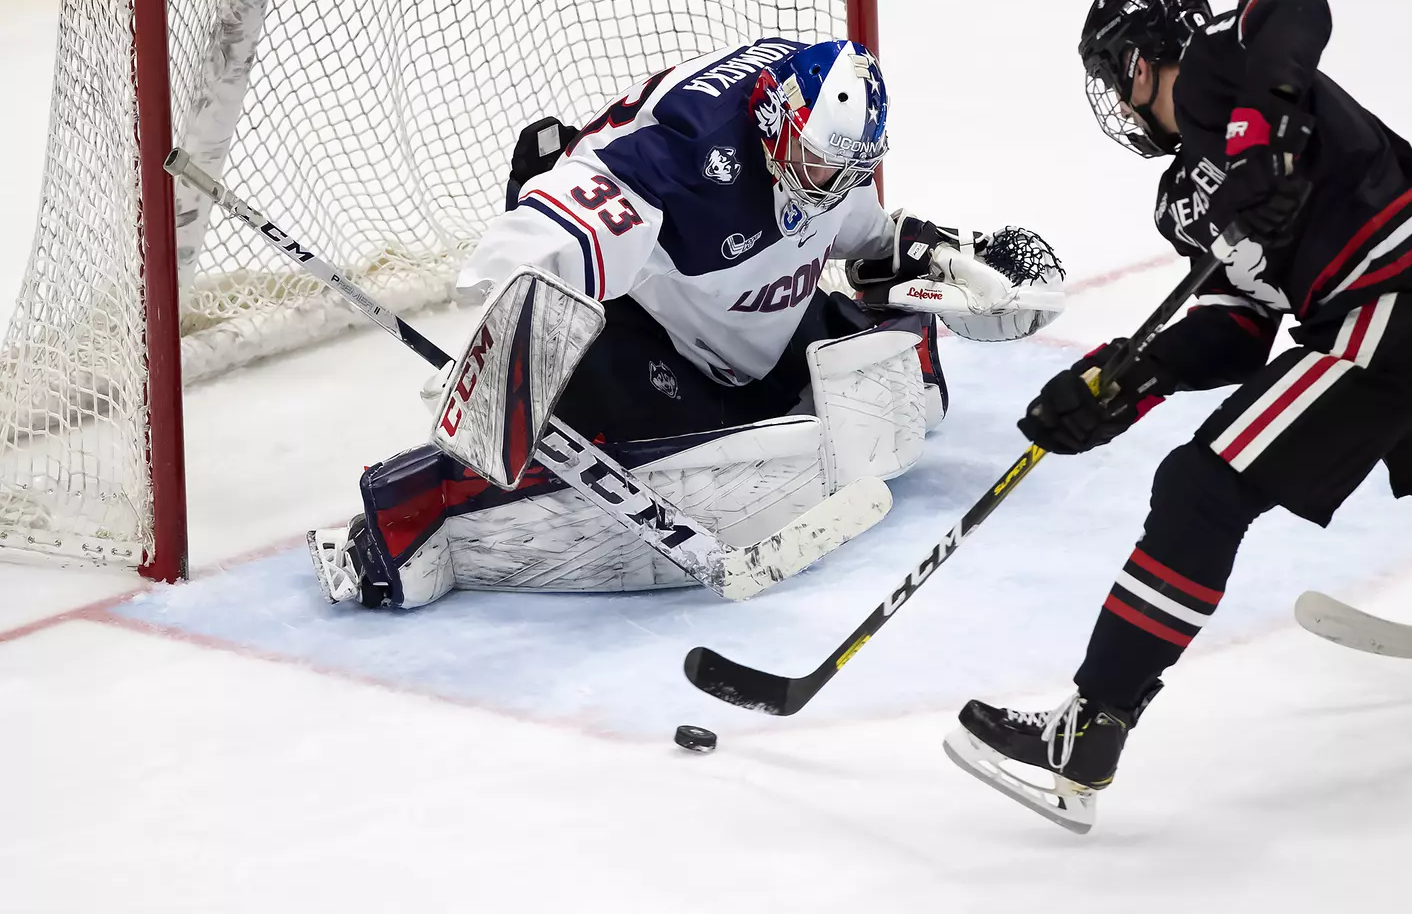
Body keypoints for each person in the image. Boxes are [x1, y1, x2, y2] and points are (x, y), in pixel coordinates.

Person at [943, 0, 1412, 834]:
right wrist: (1129, 380)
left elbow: (1294, 4)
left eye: (1113, 74)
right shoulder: (1184, 198)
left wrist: (1267, 137)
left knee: (1201, 488)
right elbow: (1238, 327)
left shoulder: (1219, 68)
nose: (1116, 99)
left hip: (1404, 292)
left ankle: (1088, 729)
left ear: (1140, 63)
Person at [305, 38, 1064, 609]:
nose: (829, 184)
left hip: (752, 330)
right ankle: (409, 520)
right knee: (615, 408)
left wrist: (950, 262)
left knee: (894, 374)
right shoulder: (684, 155)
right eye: (818, 164)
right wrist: (509, 340)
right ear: (776, 122)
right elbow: (546, 236)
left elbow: (868, 241)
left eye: (848, 170)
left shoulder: (830, 156)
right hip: (652, 336)